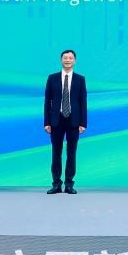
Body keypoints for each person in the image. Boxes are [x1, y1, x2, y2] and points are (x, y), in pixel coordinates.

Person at [43, 49, 87, 194]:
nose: (67, 60)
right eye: (65, 58)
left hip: (74, 121)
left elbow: (83, 102)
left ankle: (69, 184)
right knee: (56, 153)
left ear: (75, 60)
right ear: (61, 60)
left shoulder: (80, 79)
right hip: (56, 120)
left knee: (71, 153)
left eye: (70, 58)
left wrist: (83, 123)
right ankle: (56, 184)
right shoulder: (52, 78)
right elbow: (47, 102)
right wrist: (47, 122)